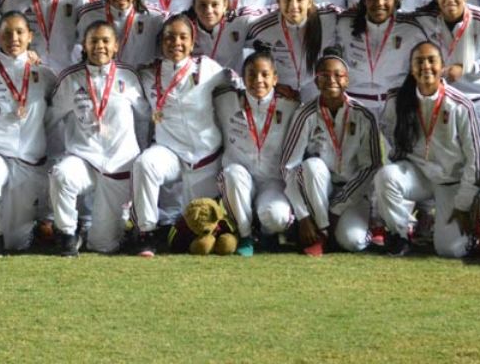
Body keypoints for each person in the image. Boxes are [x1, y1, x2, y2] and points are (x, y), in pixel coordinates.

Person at [414, 0, 480, 248]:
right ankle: (431, 215)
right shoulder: (427, 21)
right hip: (443, 104)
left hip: (479, 103)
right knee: (440, 161)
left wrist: (467, 68)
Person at [131, 15, 232, 257]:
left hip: (205, 158)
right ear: (160, 42)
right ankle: (146, 233)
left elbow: (237, 83)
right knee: (145, 164)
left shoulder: (206, 67)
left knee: (200, 224)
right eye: (169, 37)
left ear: (192, 40)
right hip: (170, 153)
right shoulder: (148, 74)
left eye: (182, 37)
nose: (176, 42)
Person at [373, 41, 480, 258]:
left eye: (431, 60)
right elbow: (386, 128)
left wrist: (463, 204)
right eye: (419, 61)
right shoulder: (398, 99)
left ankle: (473, 227)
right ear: (411, 68)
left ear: (442, 66)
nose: (426, 66)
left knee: (450, 250)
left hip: (450, 181)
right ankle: (400, 235)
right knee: (386, 176)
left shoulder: (460, 105)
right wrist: (404, 155)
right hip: (419, 175)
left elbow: (477, 161)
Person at [46, 21, 150, 256]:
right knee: (61, 174)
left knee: (103, 245)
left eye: (105, 41)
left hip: (119, 165)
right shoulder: (70, 78)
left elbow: (144, 118)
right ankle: (66, 234)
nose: (99, 46)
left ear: (115, 46)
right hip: (84, 159)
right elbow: (50, 118)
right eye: (93, 41)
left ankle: (108, 231)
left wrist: (140, 154)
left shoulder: (128, 75)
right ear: (84, 45)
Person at [0, 11, 57, 256]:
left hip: (29, 160)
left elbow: (56, 113)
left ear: (30, 37)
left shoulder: (45, 75)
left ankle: (13, 230)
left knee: (16, 242)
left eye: (19, 32)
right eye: (7, 32)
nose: (13, 38)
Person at [281, 50, 384, 256]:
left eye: (338, 75)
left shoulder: (363, 115)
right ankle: (322, 233)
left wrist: (337, 208)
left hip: (352, 193)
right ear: (316, 81)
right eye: (324, 76)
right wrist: (303, 217)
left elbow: (370, 167)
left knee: (352, 242)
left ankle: (365, 227)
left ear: (347, 80)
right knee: (311, 166)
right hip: (319, 191)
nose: (331, 80)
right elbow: (288, 167)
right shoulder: (305, 114)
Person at [216, 47, 300, 256]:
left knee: (277, 216)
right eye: (251, 75)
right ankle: (245, 235)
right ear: (242, 78)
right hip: (241, 176)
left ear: (275, 78)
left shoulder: (291, 105)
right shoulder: (225, 100)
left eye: (265, 75)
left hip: (273, 180)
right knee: (231, 174)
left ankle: (264, 230)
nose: (258, 80)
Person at [335, 0, 425, 117]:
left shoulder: (411, 31)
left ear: (396, 0)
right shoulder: (345, 24)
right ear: (364, 0)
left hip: (393, 107)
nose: (379, 2)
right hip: (353, 105)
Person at [245, 0, 338, 101]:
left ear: (310, 2)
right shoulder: (262, 27)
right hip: (281, 93)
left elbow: (351, 15)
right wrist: (274, 85)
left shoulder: (329, 17)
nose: (293, 5)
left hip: (316, 90)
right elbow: (245, 58)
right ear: (278, 1)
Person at [74, 0, 166, 68]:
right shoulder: (90, 14)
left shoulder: (153, 16)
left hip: (139, 79)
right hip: (103, 78)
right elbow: (79, 48)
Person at [187, 0, 258, 74]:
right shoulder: (187, 29)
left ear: (225, 5)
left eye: (215, 4)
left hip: (233, 86)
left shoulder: (239, 21)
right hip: (202, 86)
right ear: (194, 6)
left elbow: (272, 12)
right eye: (202, 5)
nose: (209, 11)